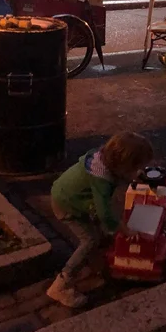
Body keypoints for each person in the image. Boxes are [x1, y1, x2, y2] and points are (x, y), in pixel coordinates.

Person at [47, 132, 154, 308]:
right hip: (67, 206)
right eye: (135, 168)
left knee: (99, 231)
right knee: (90, 240)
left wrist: (134, 175)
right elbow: (104, 213)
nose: (138, 172)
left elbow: (118, 174)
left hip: (72, 198)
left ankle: (97, 260)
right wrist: (124, 229)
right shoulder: (101, 180)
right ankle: (61, 284)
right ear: (123, 165)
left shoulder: (103, 159)